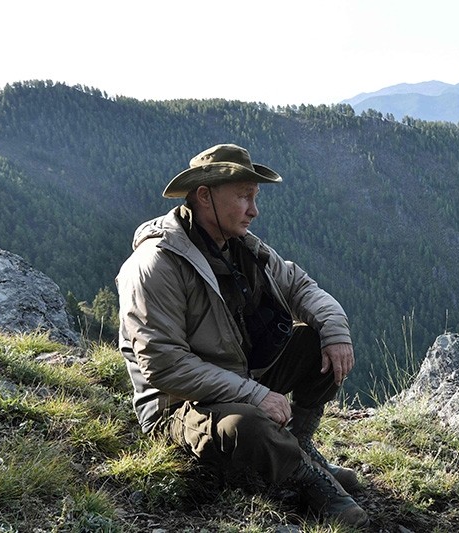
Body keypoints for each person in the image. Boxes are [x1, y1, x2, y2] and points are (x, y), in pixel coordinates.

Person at [116, 143, 368, 527]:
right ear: (205, 196)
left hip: (240, 375)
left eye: (255, 197)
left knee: (318, 343)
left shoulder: (240, 248)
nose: (254, 210)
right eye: (244, 197)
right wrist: (253, 394)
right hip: (177, 406)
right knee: (243, 426)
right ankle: (309, 483)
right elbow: (163, 365)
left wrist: (334, 330)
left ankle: (299, 447)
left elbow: (298, 285)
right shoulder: (156, 264)